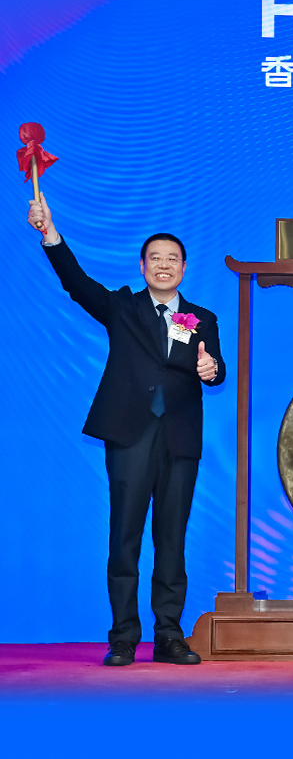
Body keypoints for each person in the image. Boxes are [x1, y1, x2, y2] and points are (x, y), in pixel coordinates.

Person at [27, 192, 226, 667]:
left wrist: (211, 369)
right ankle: (122, 638)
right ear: (142, 266)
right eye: (155, 258)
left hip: (179, 439)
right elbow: (77, 283)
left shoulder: (201, 319)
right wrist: (50, 234)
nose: (164, 265)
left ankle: (169, 636)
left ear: (183, 268)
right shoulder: (121, 307)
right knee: (124, 539)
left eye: (172, 259)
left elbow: (216, 369)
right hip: (130, 435)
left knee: (172, 540)